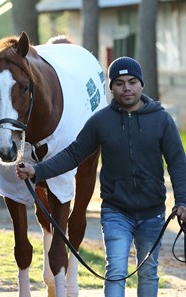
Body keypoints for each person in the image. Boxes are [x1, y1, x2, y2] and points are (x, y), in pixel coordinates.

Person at [16, 56, 186, 297]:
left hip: (153, 213)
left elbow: (178, 162)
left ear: (142, 85)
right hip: (116, 212)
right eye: (119, 83)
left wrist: (182, 201)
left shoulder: (161, 120)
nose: (126, 88)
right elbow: (73, 154)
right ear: (111, 87)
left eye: (132, 82)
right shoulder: (100, 121)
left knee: (148, 271)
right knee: (116, 270)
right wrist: (37, 170)